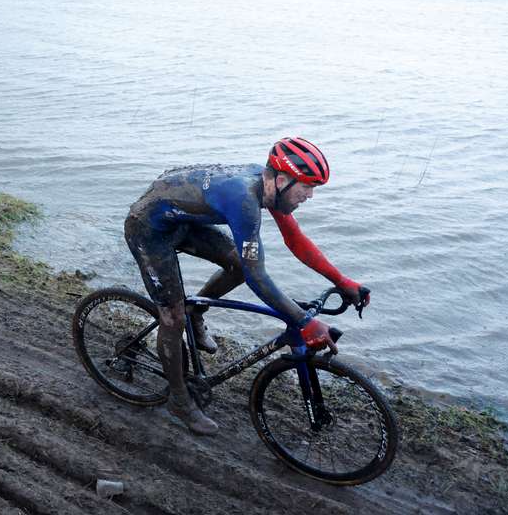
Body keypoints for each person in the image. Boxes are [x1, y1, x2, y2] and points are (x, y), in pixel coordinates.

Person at [124, 137, 369, 436]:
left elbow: (296, 242)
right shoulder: (244, 200)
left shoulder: (271, 190)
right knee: (172, 318)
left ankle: (197, 311)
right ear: (281, 180)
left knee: (238, 265)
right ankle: (178, 401)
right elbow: (258, 277)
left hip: (182, 219)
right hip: (148, 228)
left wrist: (342, 282)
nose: (310, 196)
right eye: (307, 187)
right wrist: (304, 321)